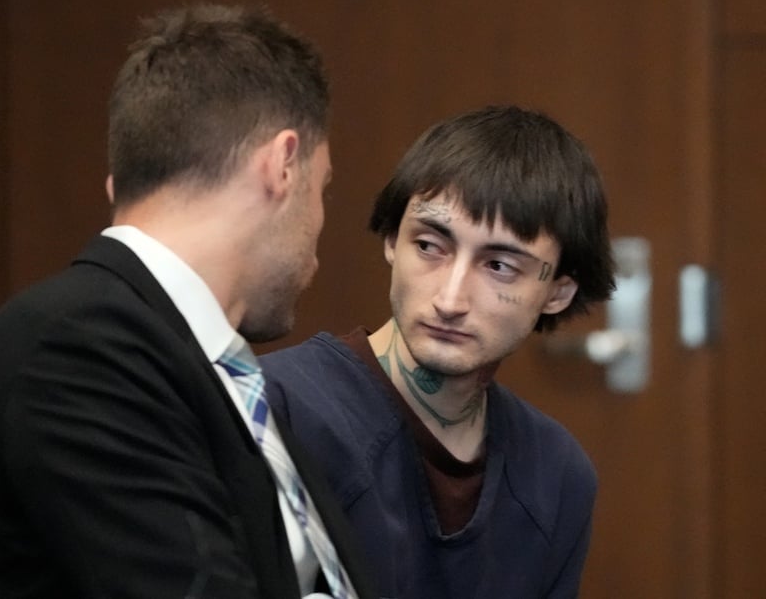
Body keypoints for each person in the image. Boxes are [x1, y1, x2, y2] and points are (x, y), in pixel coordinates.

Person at [0, 3, 375, 599]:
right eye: (322, 188)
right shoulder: (78, 348)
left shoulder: (206, 358)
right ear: (282, 165)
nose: (320, 226)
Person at [260, 105, 616, 598]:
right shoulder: (274, 409)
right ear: (391, 240)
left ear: (557, 292)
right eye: (429, 246)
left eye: (499, 266)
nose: (449, 300)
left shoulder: (554, 473)